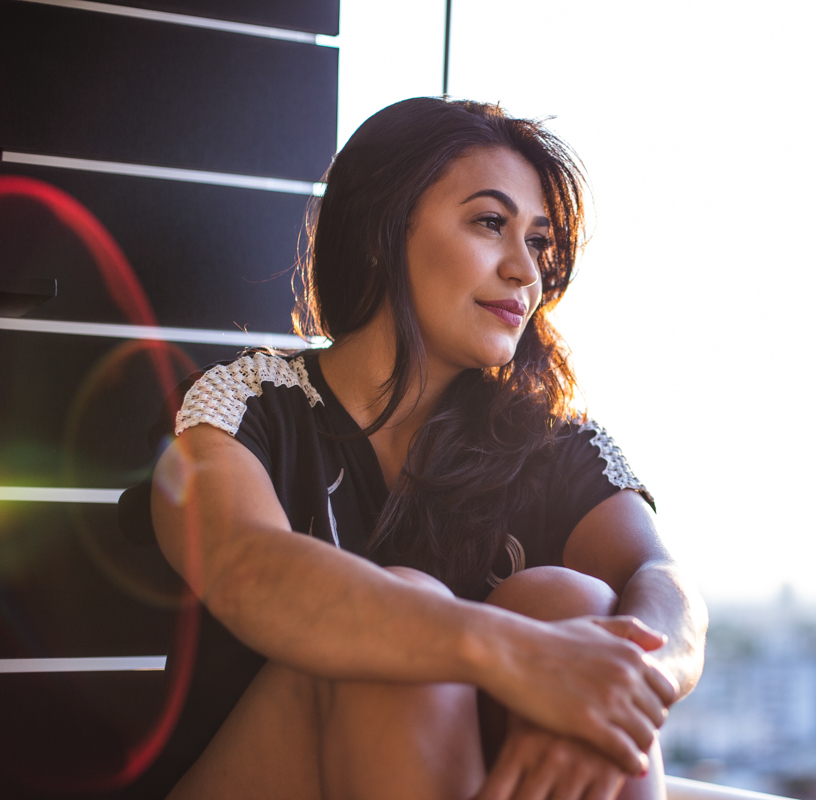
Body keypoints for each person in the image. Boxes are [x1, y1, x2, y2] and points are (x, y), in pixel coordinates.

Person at [124, 98, 707, 799]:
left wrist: (623, 680)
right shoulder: (244, 406)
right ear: (383, 231)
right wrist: (514, 655)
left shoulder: (556, 445)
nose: (526, 270)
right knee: (400, 642)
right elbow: (247, 569)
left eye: (541, 242)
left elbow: (665, 586)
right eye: (492, 223)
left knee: (570, 600)